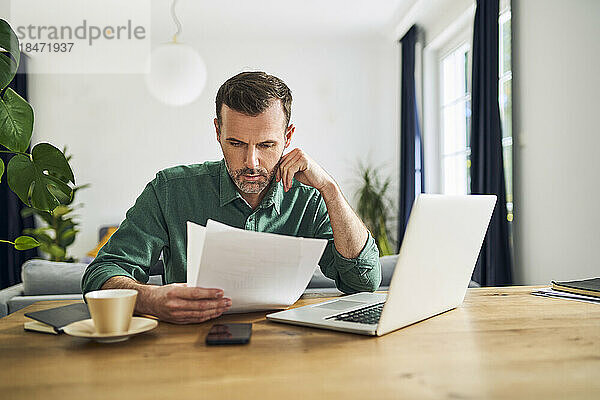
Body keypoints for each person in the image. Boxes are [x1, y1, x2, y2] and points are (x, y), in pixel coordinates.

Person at [82, 71, 381, 324]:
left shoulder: (310, 198)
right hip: (190, 347)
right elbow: (101, 272)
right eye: (236, 143)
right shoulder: (170, 190)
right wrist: (149, 300)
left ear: (288, 137)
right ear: (217, 131)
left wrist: (330, 188)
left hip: (286, 347)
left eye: (266, 144)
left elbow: (363, 282)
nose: (251, 161)